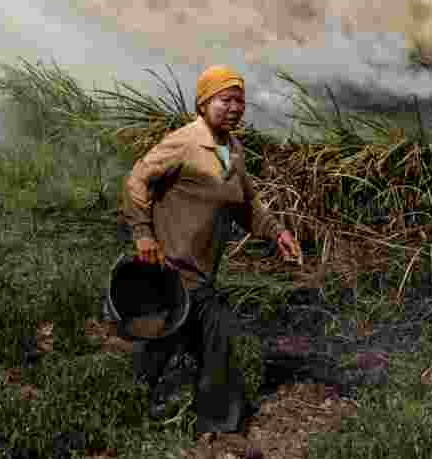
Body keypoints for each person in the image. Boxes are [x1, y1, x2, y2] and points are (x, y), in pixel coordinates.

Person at [120, 64, 302, 437]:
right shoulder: (185, 142)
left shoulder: (233, 150)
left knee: (184, 341)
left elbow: (247, 204)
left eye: (240, 101)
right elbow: (137, 180)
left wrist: (277, 232)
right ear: (203, 103)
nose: (234, 108)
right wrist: (142, 234)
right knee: (188, 339)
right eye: (225, 100)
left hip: (201, 270)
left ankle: (199, 419)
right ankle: (172, 414)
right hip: (170, 268)